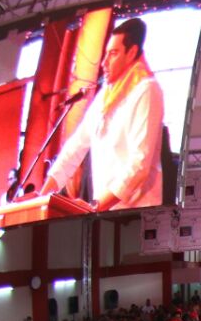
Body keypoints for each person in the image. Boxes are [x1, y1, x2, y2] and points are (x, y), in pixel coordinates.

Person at [40, 19, 165, 211]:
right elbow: (75, 147)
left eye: (113, 54)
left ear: (131, 53)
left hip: (135, 215)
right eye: (105, 54)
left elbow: (140, 164)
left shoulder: (147, 89)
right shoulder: (106, 94)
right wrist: (44, 196)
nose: (104, 63)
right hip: (104, 213)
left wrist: (95, 207)